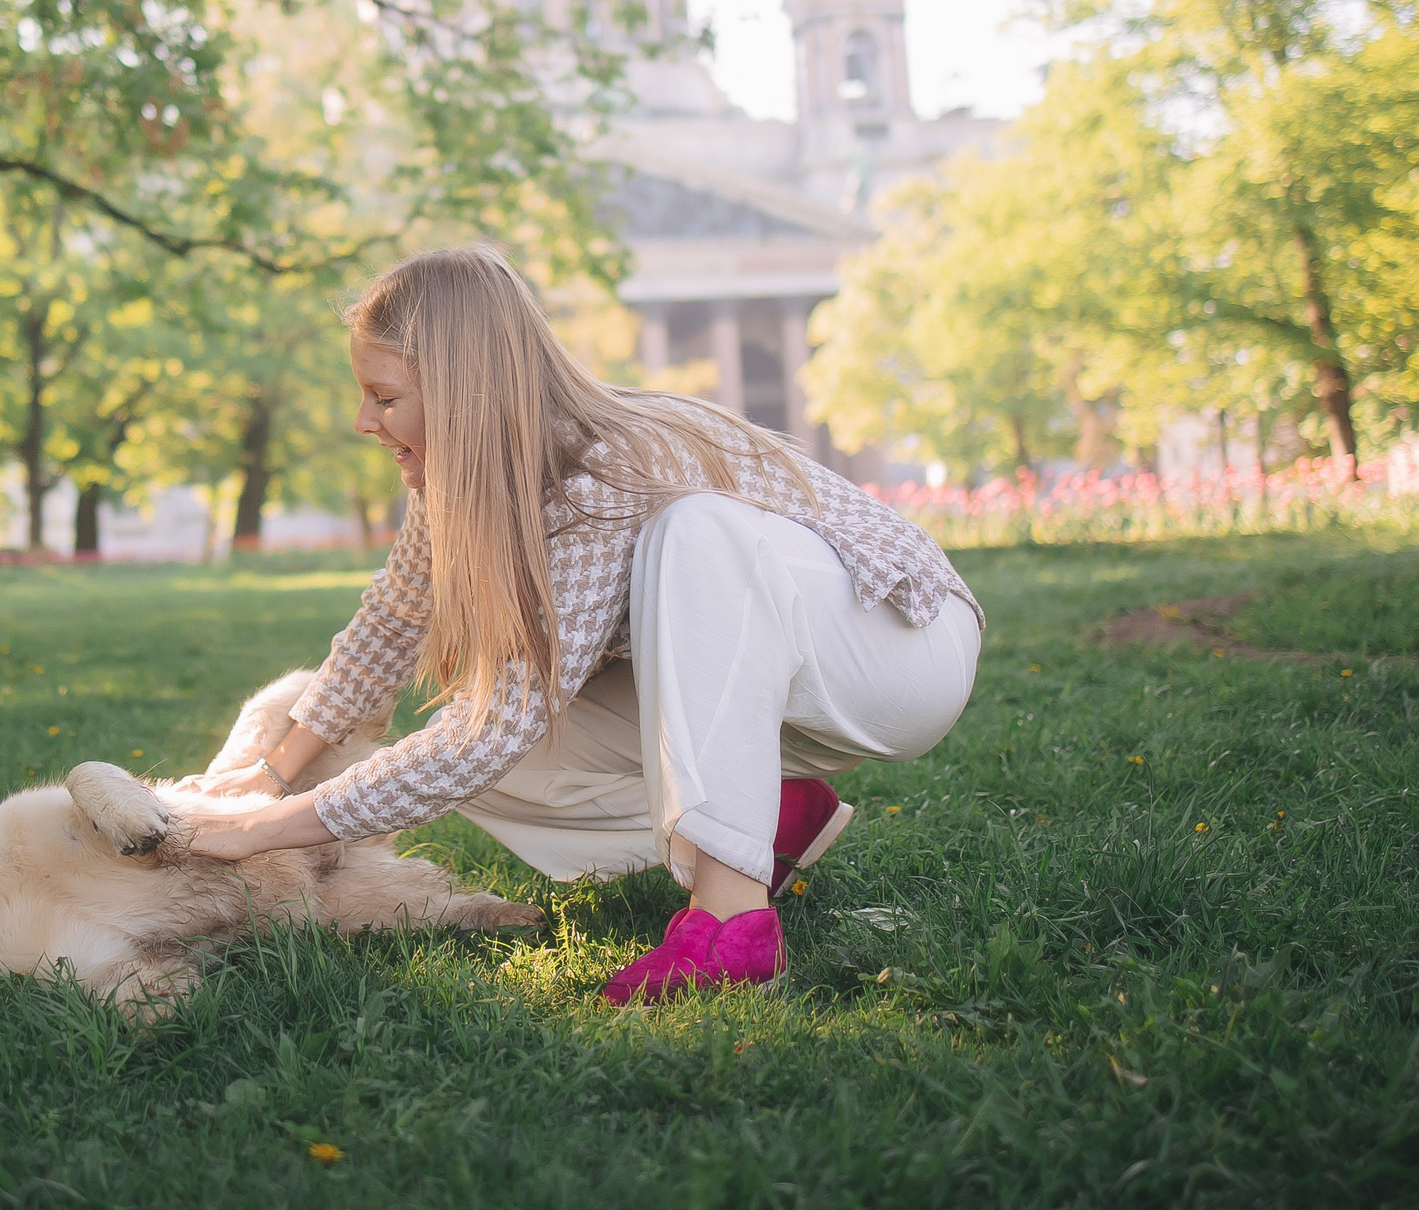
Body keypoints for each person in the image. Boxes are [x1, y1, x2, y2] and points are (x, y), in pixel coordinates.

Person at [183, 246, 982, 1003]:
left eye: (385, 396)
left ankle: (731, 926)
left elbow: (484, 734)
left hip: (900, 648)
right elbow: (394, 621)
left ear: (463, 395)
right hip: (795, 674)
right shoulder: (453, 481)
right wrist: (275, 771)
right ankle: (765, 819)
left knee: (696, 531)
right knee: (488, 750)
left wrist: (263, 831)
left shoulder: (605, 469)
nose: (363, 419)